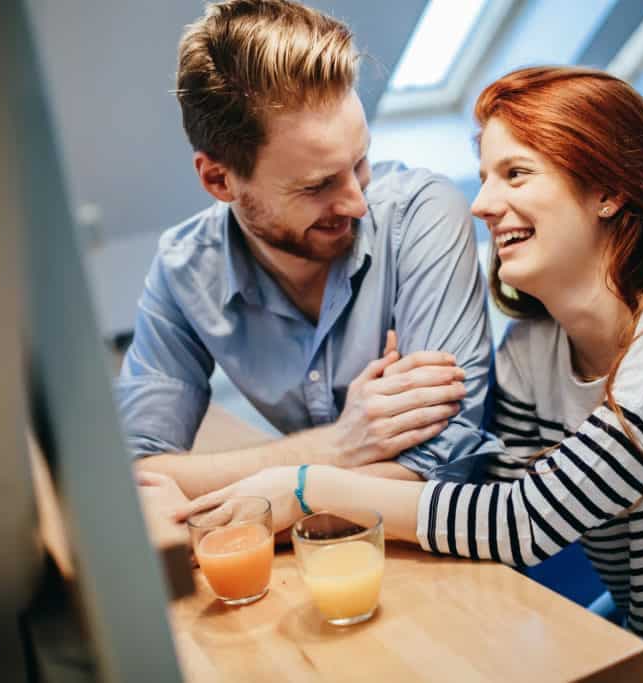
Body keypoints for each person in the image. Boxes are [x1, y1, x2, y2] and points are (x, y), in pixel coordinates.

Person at [175, 66, 643, 681]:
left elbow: (525, 522)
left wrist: (307, 486)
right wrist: (359, 436)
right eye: (485, 176)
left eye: (516, 173)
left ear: (608, 189)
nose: (482, 203)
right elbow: (472, 502)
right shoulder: (530, 352)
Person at [118, 0, 503, 499]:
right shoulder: (182, 270)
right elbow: (137, 478)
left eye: (361, 161)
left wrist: (271, 496)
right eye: (317, 186)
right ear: (219, 179)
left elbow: (437, 471)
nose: (357, 203)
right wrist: (334, 447)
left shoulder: (423, 216)